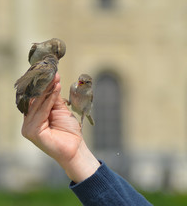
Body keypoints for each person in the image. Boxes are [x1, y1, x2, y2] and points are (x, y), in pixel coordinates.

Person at [21, 73, 152, 206]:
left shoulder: (89, 93)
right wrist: (76, 155)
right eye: (80, 81)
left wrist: (77, 149)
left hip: (83, 114)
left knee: (85, 115)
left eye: (85, 82)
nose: (80, 84)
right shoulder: (74, 88)